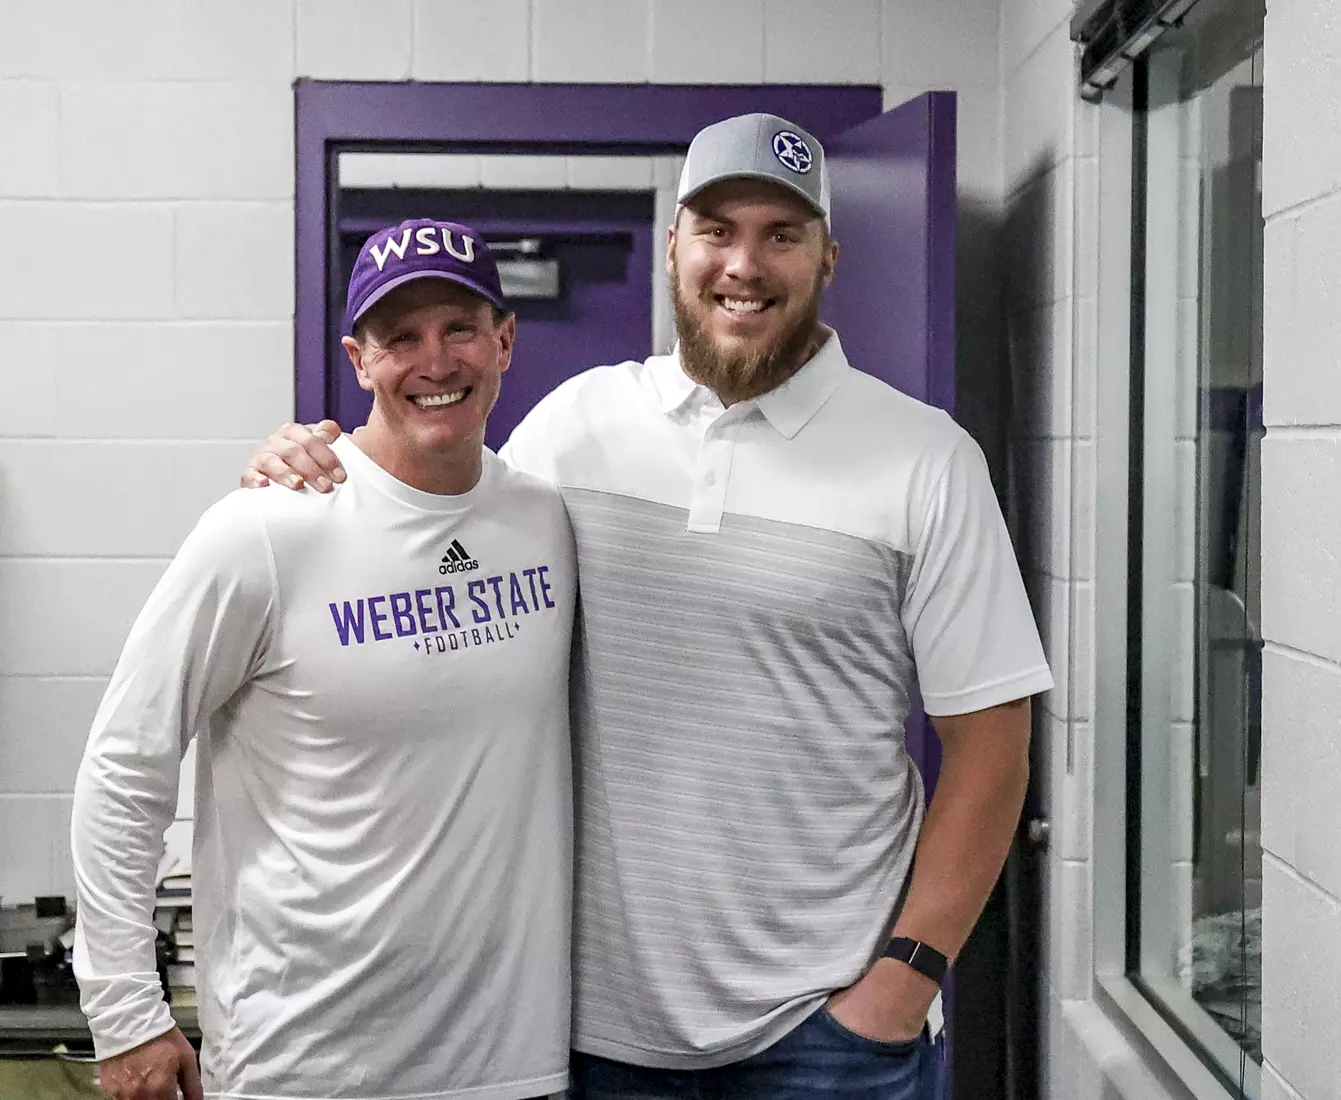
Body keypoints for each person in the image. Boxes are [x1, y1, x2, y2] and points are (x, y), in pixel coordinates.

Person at [245, 113, 1053, 1100]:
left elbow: (991, 744)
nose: (743, 263)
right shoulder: (578, 426)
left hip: (828, 1038)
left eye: (781, 234)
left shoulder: (926, 459)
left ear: (827, 257)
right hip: (588, 1033)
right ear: (674, 245)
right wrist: (311, 467)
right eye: (716, 228)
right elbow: (421, 546)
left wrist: (902, 981)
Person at [71, 220, 576, 1100]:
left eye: (459, 327)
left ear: (504, 341)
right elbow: (125, 762)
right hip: (306, 1068)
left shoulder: (549, 522)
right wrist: (125, 1013)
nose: (435, 360)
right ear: (358, 359)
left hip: (512, 1067)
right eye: (400, 338)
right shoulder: (268, 529)